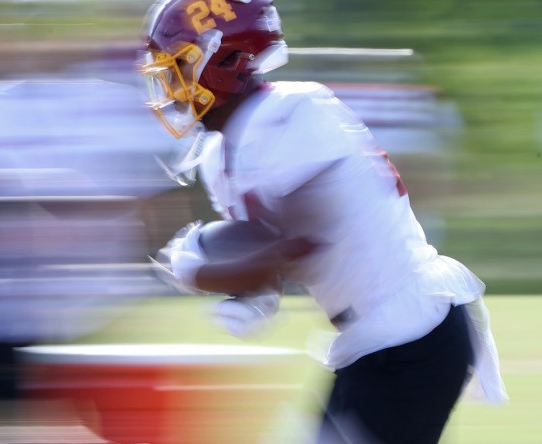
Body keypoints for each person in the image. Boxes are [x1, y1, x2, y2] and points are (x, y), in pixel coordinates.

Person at [136, 0, 508, 442]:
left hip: (410, 335)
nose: (170, 87)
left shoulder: (295, 113)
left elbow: (297, 248)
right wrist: (250, 297)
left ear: (228, 60)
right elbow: (270, 255)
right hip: (376, 342)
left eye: (177, 68)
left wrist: (197, 271)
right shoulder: (218, 156)